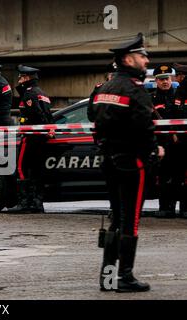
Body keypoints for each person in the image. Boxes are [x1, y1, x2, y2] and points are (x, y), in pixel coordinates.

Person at [94, 33, 164, 292]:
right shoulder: (134, 90)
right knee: (130, 220)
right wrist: (154, 150)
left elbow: (96, 122)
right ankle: (124, 276)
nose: (146, 60)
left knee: (115, 218)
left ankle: (108, 277)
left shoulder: (105, 88)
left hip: (108, 160)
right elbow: (144, 128)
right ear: (127, 59)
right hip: (131, 163)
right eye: (141, 55)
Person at [13, 64, 54, 213]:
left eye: (21, 77)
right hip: (41, 138)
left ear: (26, 78)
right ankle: (37, 204)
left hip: (30, 137)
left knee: (21, 168)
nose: (19, 80)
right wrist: (48, 130)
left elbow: (35, 115)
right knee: (37, 170)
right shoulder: (42, 93)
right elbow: (47, 115)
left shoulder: (29, 94)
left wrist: (23, 124)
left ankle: (25, 203)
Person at [151, 65, 178, 218]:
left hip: (177, 143)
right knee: (163, 176)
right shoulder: (151, 99)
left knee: (178, 176)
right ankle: (164, 207)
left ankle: (176, 207)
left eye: (167, 78)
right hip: (161, 144)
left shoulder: (178, 96)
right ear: (156, 81)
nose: (164, 82)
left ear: (171, 79)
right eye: (161, 79)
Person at [173, 63, 187, 218]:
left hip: (183, 139)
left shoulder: (183, 88)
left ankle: (184, 208)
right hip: (182, 137)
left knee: (181, 175)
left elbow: (178, 111)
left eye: (177, 75)